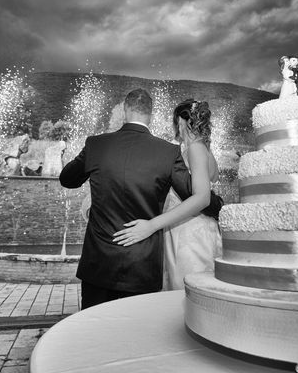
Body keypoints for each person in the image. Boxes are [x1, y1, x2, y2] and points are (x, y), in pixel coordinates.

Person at [59, 88, 221, 309]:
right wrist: (222, 210)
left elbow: (67, 179)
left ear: (125, 109)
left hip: (98, 264)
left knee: (93, 331)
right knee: (138, 334)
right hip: (142, 265)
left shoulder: (95, 144)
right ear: (151, 114)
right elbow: (195, 194)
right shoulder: (167, 152)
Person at [161, 99, 222, 290]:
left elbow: (201, 197)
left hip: (188, 233)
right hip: (205, 228)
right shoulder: (204, 148)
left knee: (186, 291)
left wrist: (155, 223)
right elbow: (214, 175)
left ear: (181, 121)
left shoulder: (194, 148)